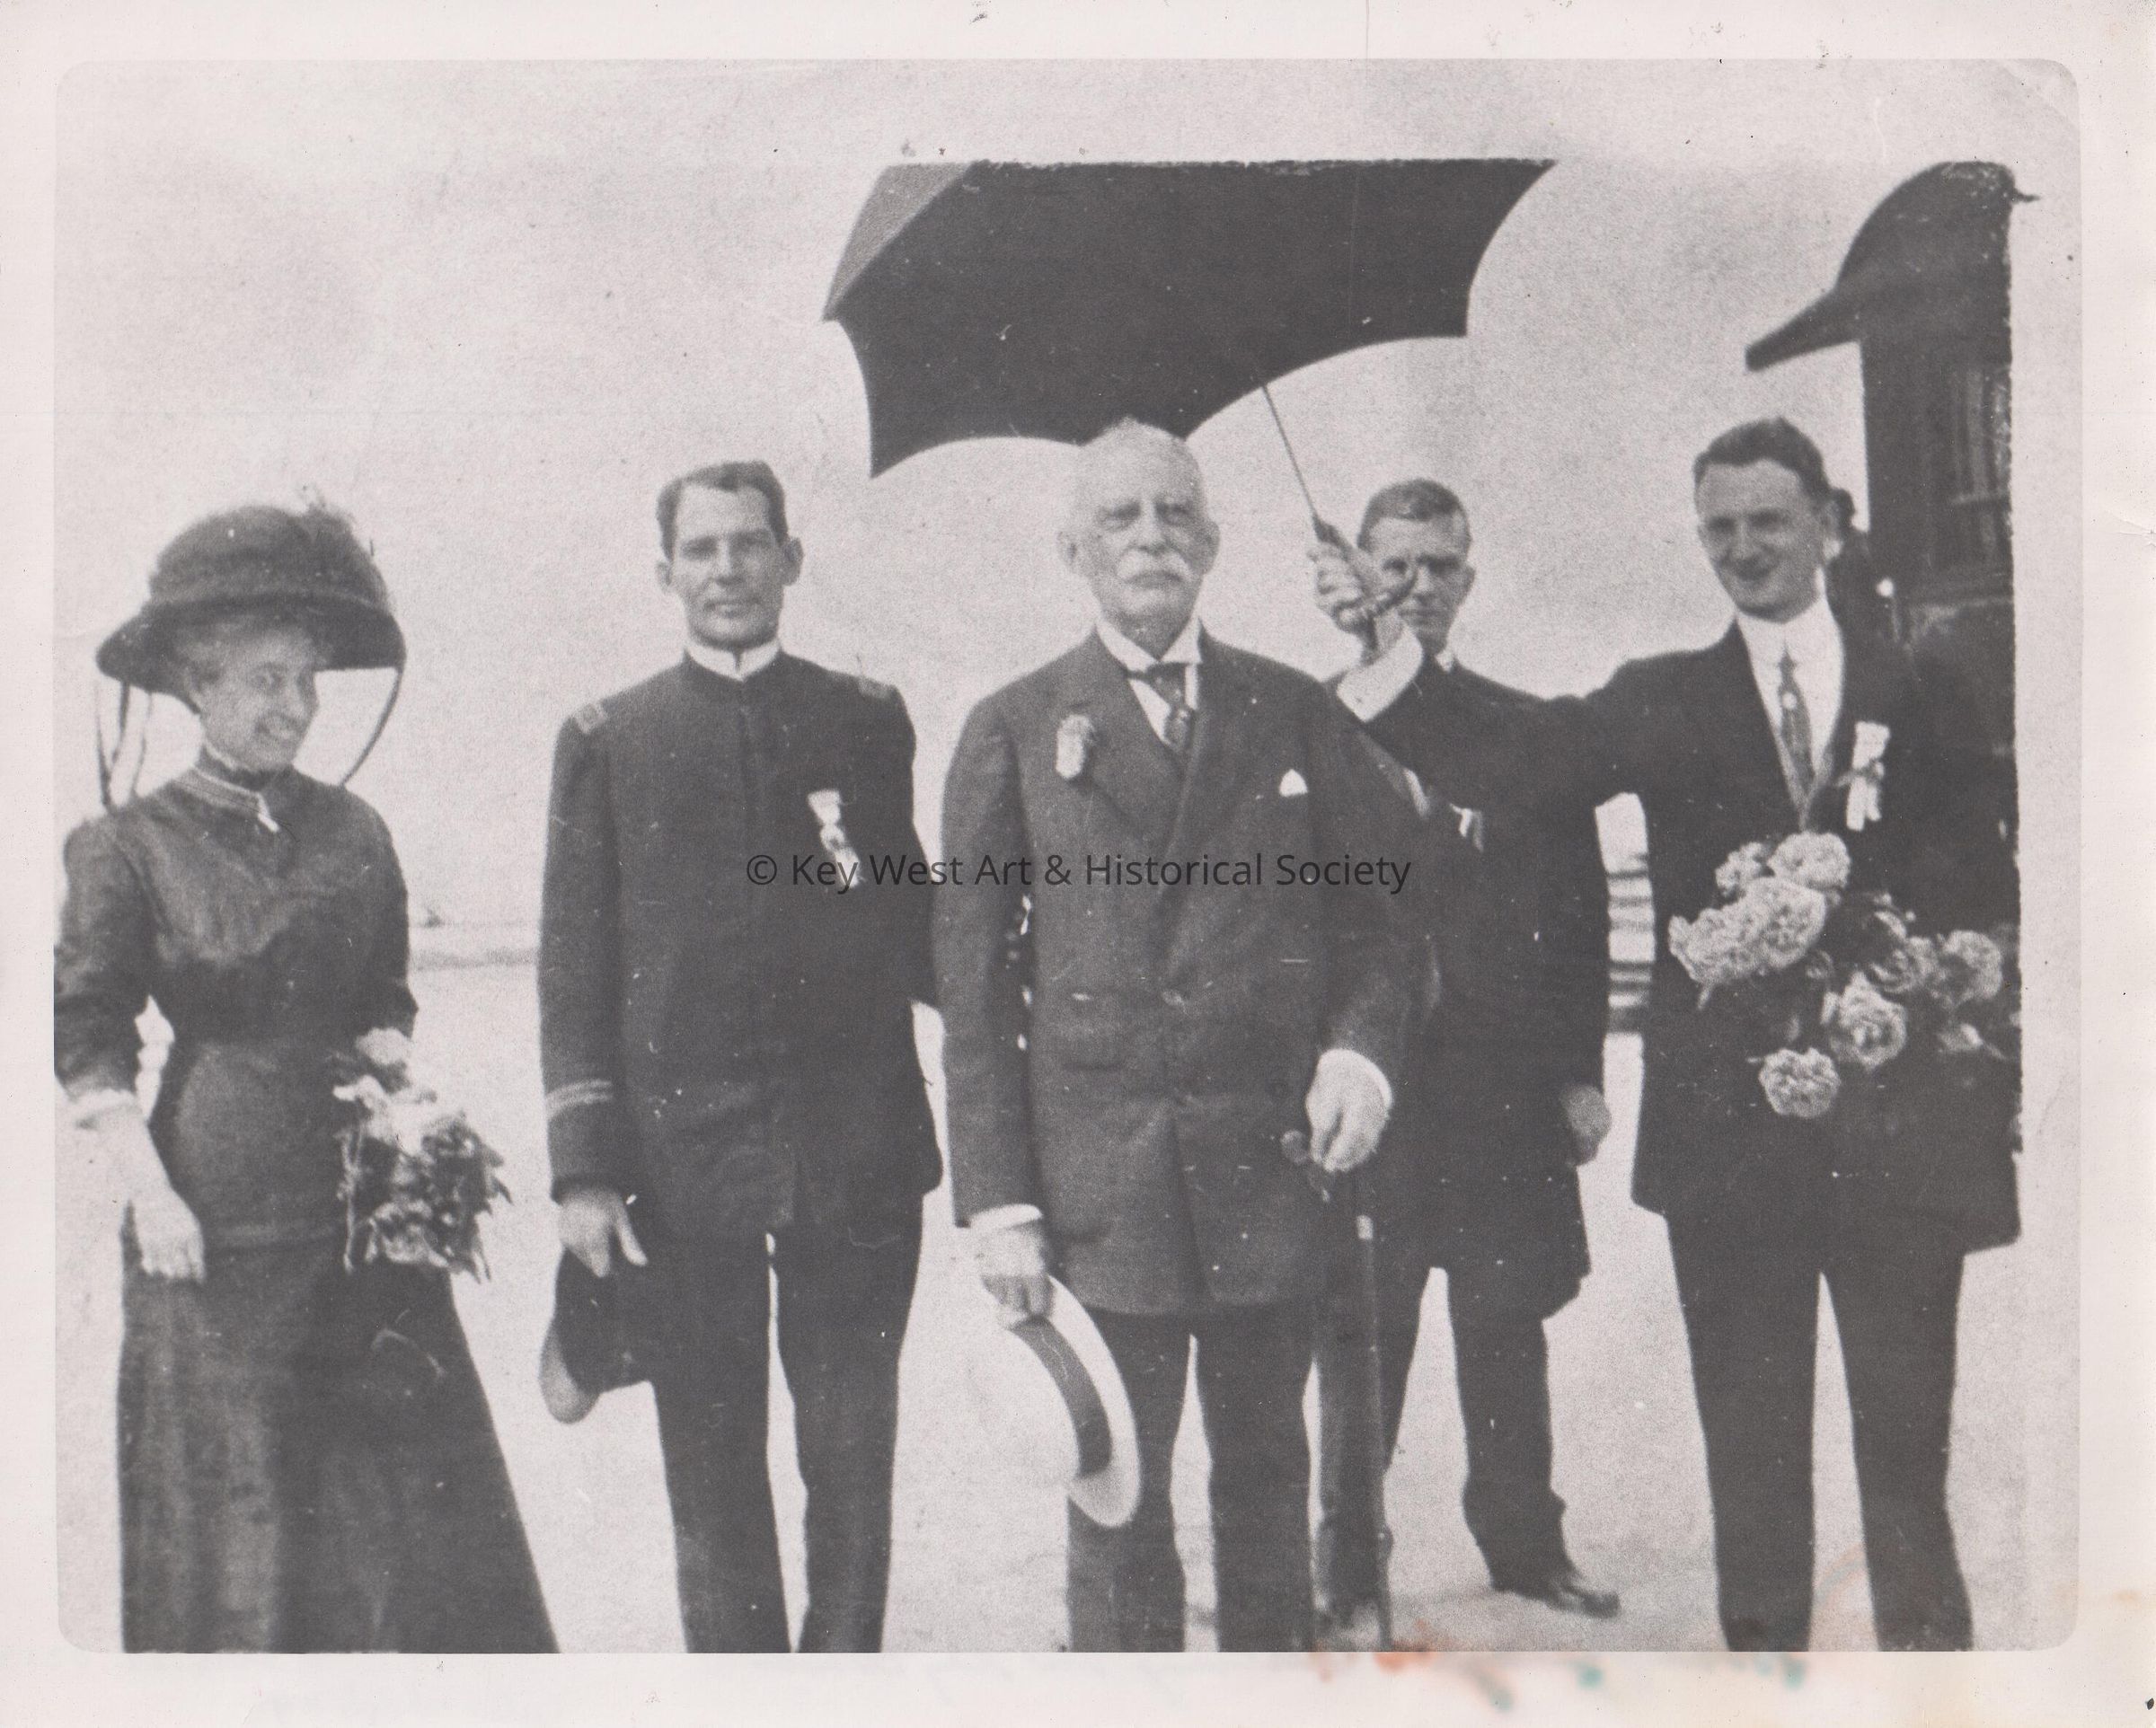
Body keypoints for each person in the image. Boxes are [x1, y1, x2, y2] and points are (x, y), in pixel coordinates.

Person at [1317, 419, 2018, 1651]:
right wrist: (1384, 652)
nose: (1744, 548)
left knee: (1909, 1472)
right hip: (1732, 1154)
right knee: (1754, 1480)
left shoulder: (1924, 687)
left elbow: (1985, 898)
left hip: (1900, 1147)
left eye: (1769, 521)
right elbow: (1517, 762)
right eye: (1720, 528)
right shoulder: (1663, 698)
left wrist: (1950, 1018)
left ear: (1827, 524)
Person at [936, 420, 1420, 1651]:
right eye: (1119, 516)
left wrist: (1359, 1056)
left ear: (1211, 541)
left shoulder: (1294, 711)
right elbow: (974, 991)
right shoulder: (1012, 727)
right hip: (1102, 1193)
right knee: (1114, 1488)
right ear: (1073, 550)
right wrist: (1000, 1203)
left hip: (1270, 1170)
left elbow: (1383, 926)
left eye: (1173, 513)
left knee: (1266, 1476)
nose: (1149, 537)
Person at [53, 503, 553, 1652]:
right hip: (214, 1214)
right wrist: (152, 1195)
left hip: (361, 1212)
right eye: (266, 680)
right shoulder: (128, 845)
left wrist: (409, 1125)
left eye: (308, 682)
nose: (295, 706)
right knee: (244, 1502)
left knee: (396, 1502)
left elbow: (383, 998)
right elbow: (89, 1032)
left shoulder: (355, 831)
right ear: (199, 684)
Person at [537, 459, 941, 1652]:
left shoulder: (864, 720)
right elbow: (575, 967)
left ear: (790, 561)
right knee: (710, 1467)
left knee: (853, 1457)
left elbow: (911, 920)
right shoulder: (609, 739)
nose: (727, 569)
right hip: (682, 1165)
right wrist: (584, 1169)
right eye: (702, 549)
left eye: (750, 543)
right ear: (665, 573)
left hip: (856, 1152)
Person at [1308, 479, 1620, 1631]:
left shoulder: (1522, 731)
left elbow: (1579, 913)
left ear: (1470, 579)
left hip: (1502, 1095)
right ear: (1359, 573)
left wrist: (1580, 1072)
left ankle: (1527, 1545)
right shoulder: (1305, 725)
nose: (1417, 587)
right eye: (1394, 566)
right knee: (1362, 1337)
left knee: (1506, 1325)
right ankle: (1349, 1566)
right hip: (1374, 1099)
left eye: (1440, 567)